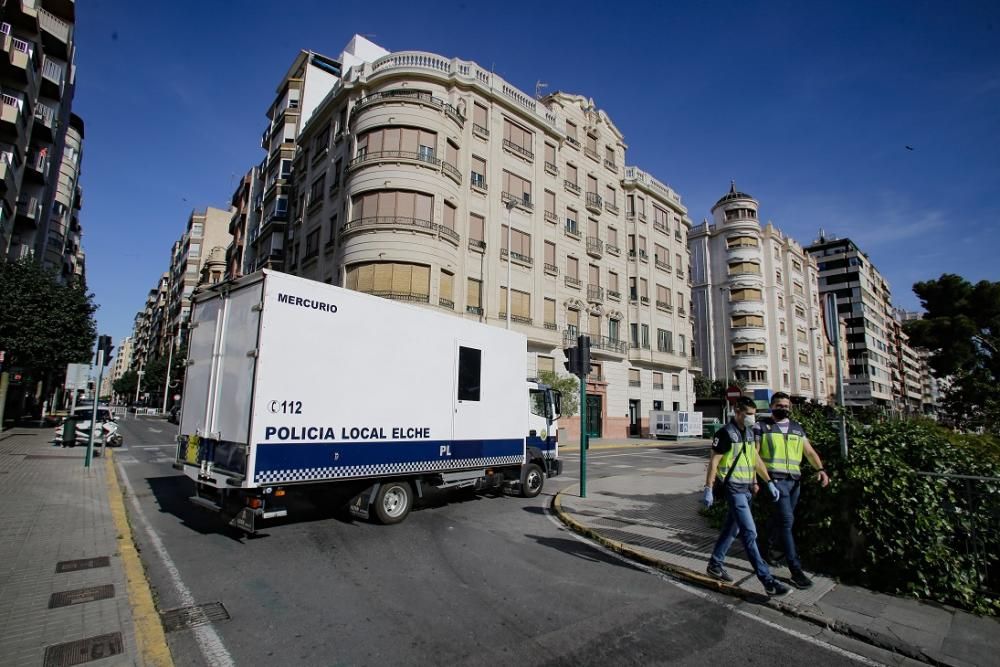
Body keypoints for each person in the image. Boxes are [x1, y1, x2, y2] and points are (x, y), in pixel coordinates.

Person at [703, 396, 791, 597]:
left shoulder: (750, 433)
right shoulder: (725, 433)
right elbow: (714, 462)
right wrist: (708, 487)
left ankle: (715, 564)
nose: (752, 418)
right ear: (737, 411)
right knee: (750, 534)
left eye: (754, 414)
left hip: (746, 489)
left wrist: (767, 482)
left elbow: (755, 459)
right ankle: (767, 581)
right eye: (749, 414)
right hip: (733, 489)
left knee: (731, 529)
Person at [757, 392, 830, 589]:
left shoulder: (797, 428)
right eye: (779, 405)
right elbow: (754, 456)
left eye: (786, 406)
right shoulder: (762, 427)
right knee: (787, 521)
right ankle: (795, 569)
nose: (783, 408)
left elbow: (809, 452)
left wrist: (820, 470)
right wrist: (762, 480)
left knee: (779, 519)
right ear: (771, 406)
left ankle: (768, 549)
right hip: (775, 481)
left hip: (794, 482)